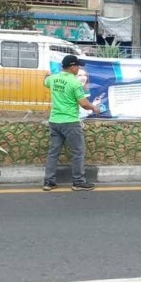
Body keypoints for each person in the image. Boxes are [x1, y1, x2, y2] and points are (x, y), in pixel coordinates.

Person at [43, 55, 100, 191]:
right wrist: (93, 107)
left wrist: (46, 75)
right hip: (70, 122)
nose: (79, 68)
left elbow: (45, 81)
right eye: (77, 66)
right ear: (72, 67)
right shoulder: (75, 83)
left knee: (53, 153)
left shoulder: (53, 79)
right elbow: (83, 103)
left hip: (54, 121)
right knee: (78, 152)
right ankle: (78, 182)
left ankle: (49, 182)